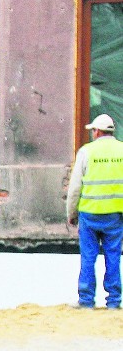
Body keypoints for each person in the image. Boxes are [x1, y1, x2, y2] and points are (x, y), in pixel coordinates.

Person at [65, 113, 123, 309]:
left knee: (88, 257)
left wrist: (71, 213)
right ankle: (114, 301)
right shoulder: (122, 150)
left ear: (97, 131)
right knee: (113, 256)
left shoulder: (87, 152)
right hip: (115, 214)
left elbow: (75, 188)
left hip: (89, 214)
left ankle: (86, 300)